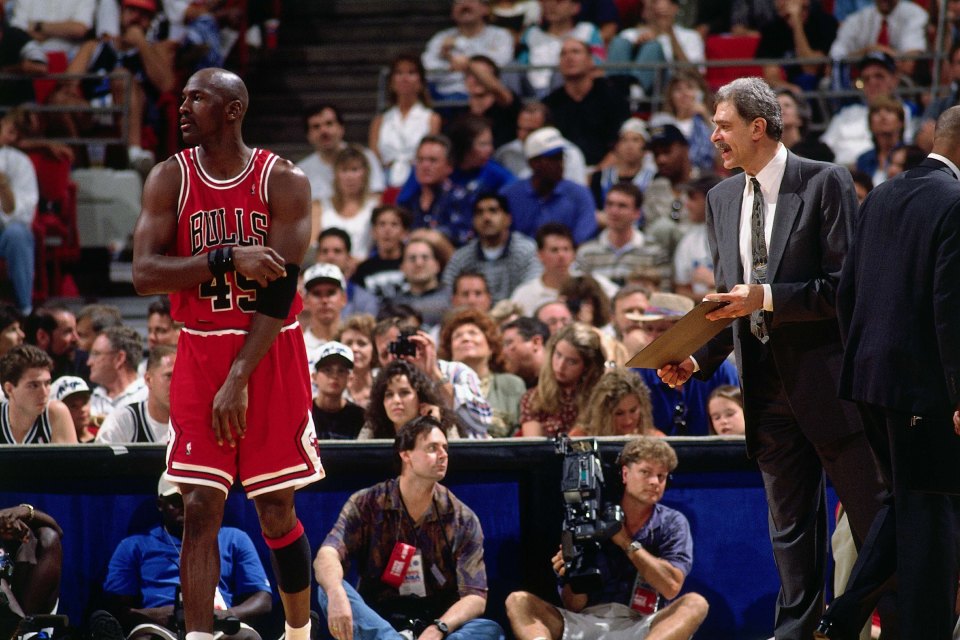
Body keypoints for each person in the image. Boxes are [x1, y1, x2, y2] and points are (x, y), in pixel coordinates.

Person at [657, 77, 887, 640]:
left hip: (830, 387)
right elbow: (727, 301)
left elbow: (844, 291)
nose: (713, 138)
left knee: (873, 524)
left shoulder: (825, 181)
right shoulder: (721, 198)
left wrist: (766, 297)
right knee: (789, 538)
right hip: (763, 387)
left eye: (723, 125)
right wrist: (696, 359)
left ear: (758, 127)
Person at [131, 68, 322, 640]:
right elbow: (144, 274)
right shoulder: (170, 177)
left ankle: (297, 632)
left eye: (198, 98)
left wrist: (239, 375)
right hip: (199, 349)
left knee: (275, 511)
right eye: (183, 97)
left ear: (233, 108)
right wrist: (224, 257)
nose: (183, 107)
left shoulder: (283, 180)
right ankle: (198, 636)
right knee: (198, 507)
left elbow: (282, 289)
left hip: (269, 352)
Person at [819, 105, 960, 640]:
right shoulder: (955, 202)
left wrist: (862, 362)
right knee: (932, 525)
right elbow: (951, 308)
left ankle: (843, 616)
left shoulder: (882, 193)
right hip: (925, 393)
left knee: (904, 505)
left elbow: (848, 290)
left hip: (870, 384)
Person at [314, 416, 505, 640]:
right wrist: (336, 593)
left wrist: (438, 629)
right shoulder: (368, 503)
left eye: (445, 448)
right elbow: (327, 555)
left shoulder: (462, 518)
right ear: (405, 455)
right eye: (432, 448)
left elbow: (475, 597)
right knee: (328, 589)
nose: (443, 454)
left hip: (437, 625)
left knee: (489, 630)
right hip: (379, 619)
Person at [504, 437, 709, 640]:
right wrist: (572, 571)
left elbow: (671, 587)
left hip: (643, 623)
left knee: (695, 603)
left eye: (661, 476)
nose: (654, 482)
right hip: (586, 621)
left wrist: (626, 542)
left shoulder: (672, 522)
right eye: (646, 472)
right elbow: (573, 604)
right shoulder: (589, 515)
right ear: (625, 474)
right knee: (519, 601)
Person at [100, 476, 273, 640]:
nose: (187, 506)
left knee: (246, 637)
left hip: (219, 625)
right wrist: (157, 614)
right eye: (177, 501)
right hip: (160, 627)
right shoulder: (134, 546)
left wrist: (227, 615)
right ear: (161, 504)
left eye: (193, 499)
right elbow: (116, 608)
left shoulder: (234, 538)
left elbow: (263, 600)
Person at [372, 318, 493, 439]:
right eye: (384, 354)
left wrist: (433, 373)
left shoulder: (454, 371)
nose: (392, 358)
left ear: (415, 344)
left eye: (397, 348)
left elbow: (482, 421)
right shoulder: (380, 383)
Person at [500, 127, 597, 245]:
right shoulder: (509, 195)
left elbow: (583, 238)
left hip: (565, 259)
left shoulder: (579, 194)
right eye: (552, 159)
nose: (560, 164)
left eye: (561, 157)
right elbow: (502, 239)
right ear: (533, 163)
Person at [542, 38, 630, 167]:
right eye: (563, 54)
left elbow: (622, 142)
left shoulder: (612, 97)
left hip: (607, 170)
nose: (569, 57)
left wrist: (596, 175)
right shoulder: (551, 103)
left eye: (575, 52)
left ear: (591, 60)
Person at [439, 308, 526, 437]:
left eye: (473, 333)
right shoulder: (439, 387)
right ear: (450, 352)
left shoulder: (511, 384)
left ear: (491, 346)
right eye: (457, 336)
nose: (466, 338)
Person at [519, 322, 606, 437]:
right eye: (558, 355)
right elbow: (534, 448)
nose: (560, 366)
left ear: (587, 367)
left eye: (571, 362)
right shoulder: (533, 398)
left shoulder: (598, 397)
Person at [369, 53, 442, 188]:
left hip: (418, 180)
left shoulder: (431, 118)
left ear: (420, 82)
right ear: (391, 82)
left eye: (411, 72)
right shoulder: (380, 121)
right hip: (385, 180)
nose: (405, 78)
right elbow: (374, 159)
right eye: (399, 73)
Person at [575, 183, 669, 288]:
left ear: (637, 213)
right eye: (609, 204)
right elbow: (579, 292)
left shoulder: (655, 252)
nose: (614, 211)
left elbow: (662, 295)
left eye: (622, 206)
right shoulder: (587, 252)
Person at [421, 0, 514, 104]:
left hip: (489, 97)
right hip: (446, 96)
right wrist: (449, 67)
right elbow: (426, 69)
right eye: (458, 2)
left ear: (486, 9)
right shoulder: (441, 38)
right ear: (452, 12)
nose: (465, 5)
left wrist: (460, 46)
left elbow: (498, 64)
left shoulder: (500, 35)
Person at [296, 103, 385, 206]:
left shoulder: (366, 157)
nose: (323, 131)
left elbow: (376, 198)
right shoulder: (301, 172)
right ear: (308, 135)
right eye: (316, 127)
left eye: (329, 124)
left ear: (341, 128)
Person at [0, 503, 64, 640]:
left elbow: (58, 531)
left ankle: (25, 632)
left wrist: (25, 511)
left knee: (49, 536)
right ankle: (25, 633)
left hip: (25, 607)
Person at [360, 359, 461, 440]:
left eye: (404, 393)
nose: (396, 400)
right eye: (389, 395)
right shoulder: (372, 427)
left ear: (420, 397)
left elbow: (456, 461)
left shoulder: (444, 423)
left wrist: (433, 426)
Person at [95, 344, 176, 444]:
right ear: (148, 380)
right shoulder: (122, 422)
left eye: (183, 377)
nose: (178, 383)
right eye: (169, 376)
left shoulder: (197, 422)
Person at [0, 107, 38, 315]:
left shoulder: (21, 163)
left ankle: (25, 310)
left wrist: (4, 186)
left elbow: (21, 214)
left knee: (18, 234)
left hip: (6, 231)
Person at [314, 146, 380, 260]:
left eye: (354, 170)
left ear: (365, 173)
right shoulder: (318, 206)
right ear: (335, 174)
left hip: (364, 269)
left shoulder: (376, 205)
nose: (350, 177)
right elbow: (314, 246)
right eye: (344, 170)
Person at [0, 344, 76, 444]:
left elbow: (68, 459)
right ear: (9, 389)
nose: (44, 393)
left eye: (47, 383)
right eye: (34, 385)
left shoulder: (55, 413)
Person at [570, 367, 664, 437]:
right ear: (603, 413)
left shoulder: (654, 439)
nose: (628, 420)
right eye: (619, 413)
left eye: (633, 410)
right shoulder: (580, 437)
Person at [87, 325, 148, 425]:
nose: (89, 362)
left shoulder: (148, 398)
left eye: (96, 354)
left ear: (119, 358)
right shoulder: (89, 401)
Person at [314, 228, 381, 319]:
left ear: (349, 257)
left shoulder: (365, 300)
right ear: (317, 256)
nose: (330, 256)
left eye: (337, 251)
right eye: (324, 251)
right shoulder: (303, 297)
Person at [352, 205, 411, 302]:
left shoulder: (413, 265)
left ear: (404, 233)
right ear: (373, 232)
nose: (387, 230)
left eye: (394, 224)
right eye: (382, 224)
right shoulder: (363, 269)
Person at [393, 238, 452, 330]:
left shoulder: (453, 298)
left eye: (425, 257)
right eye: (412, 258)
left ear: (437, 265)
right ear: (402, 268)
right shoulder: (395, 304)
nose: (419, 263)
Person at [311, 341, 365, 440]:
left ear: (350, 378)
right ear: (314, 377)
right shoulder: (304, 415)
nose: (334, 376)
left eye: (341, 371)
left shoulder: (360, 417)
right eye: (327, 370)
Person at [300, 263, 348, 373]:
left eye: (331, 292)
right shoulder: (297, 349)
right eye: (316, 293)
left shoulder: (357, 345)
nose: (324, 300)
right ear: (305, 301)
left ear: (344, 298)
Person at [335, 314, 378, 409]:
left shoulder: (383, 384)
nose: (354, 349)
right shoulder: (331, 387)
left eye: (362, 343)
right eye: (348, 343)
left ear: (374, 349)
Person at [500, 317, 549, 389]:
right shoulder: (514, 386)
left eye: (509, 343)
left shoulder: (562, 381)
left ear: (536, 342)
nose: (503, 352)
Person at [49, 375, 95, 442]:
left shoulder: (103, 433)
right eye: (73, 406)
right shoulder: (47, 441)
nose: (83, 409)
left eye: (85, 402)